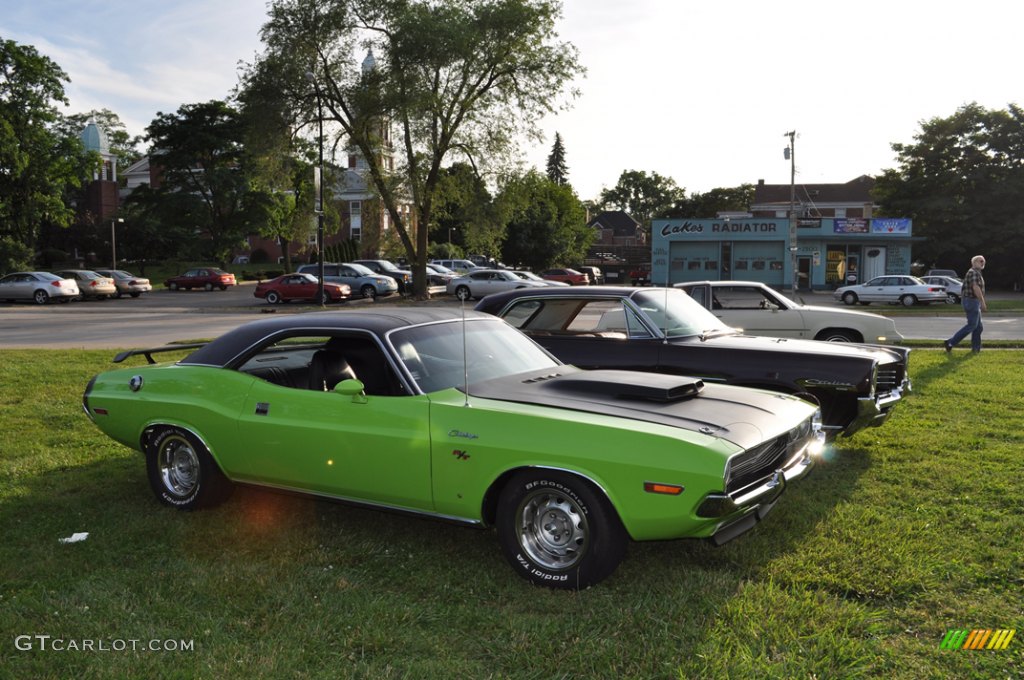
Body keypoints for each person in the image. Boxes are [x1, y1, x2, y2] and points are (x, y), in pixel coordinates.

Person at [944, 255, 987, 353]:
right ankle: (950, 342)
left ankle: (976, 349)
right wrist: (982, 302)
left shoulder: (975, 272)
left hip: (972, 301)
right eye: (980, 261)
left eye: (983, 261)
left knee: (978, 327)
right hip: (972, 301)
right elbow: (976, 288)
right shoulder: (974, 273)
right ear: (974, 263)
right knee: (972, 325)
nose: (982, 263)